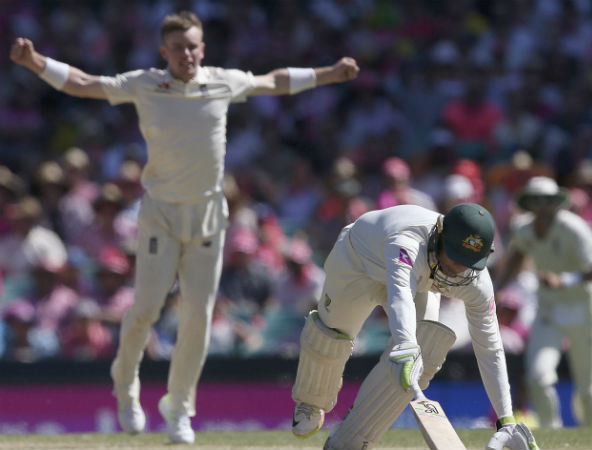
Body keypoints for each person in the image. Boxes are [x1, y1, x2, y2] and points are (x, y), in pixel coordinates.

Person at [10, 10, 359, 444]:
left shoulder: (222, 81)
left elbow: (275, 81)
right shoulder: (145, 84)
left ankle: (179, 408)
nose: (186, 55)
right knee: (145, 308)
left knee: (198, 316)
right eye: (177, 48)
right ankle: (125, 385)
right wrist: (35, 62)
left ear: (202, 48)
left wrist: (329, 74)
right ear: (164, 51)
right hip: (161, 212)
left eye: (192, 46)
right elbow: (83, 83)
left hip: (208, 214)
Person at [291, 202, 539, 450]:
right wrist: (406, 344)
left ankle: (351, 438)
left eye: (467, 263)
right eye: (454, 258)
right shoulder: (407, 242)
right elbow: (400, 298)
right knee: (331, 336)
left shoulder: (477, 281)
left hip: (417, 279)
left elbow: (490, 347)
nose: (456, 272)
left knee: (425, 351)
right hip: (358, 262)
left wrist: (506, 419)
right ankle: (312, 400)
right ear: (439, 238)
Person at [495, 176, 592, 428]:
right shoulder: (524, 228)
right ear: (529, 203)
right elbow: (517, 256)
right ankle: (550, 433)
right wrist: (497, 290)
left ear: (557, 202)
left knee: (588, 387)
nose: (543, 206)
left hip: (584, 309)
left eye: (548, 200)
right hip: (549, 310)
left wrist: (565, 280)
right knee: (538, 377)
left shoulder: (573, 227)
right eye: (537, 200)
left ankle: (590, 434)